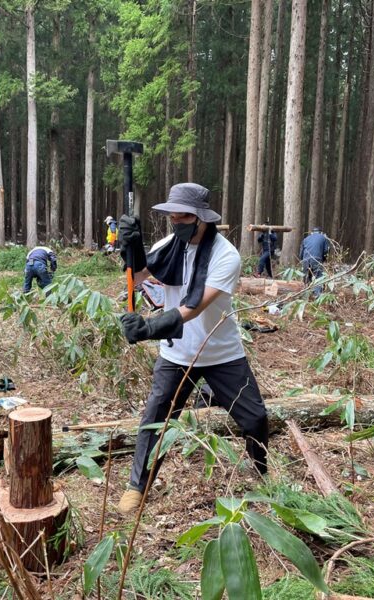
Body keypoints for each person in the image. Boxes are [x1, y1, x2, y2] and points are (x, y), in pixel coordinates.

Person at [115, 182, 269, 514]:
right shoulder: (169, 244)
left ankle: (262, 474)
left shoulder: (225, 255)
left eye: (182, 217)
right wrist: (132, 248)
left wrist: (150, 327)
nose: (176, 223)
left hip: (221, 353)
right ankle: (137, 487)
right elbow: (141, 276)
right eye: (172, 217)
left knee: (255, 418)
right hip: (176, 355)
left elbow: (195, 305)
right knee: (154, 421)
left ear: (200, 218)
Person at [300, 226, 330, 293]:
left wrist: (303, 260)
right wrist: (323, 259)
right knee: (318, 277)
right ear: (321, 232)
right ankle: (317, 296)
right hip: (316, 259)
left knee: (306, 277)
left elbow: (301, 253)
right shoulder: (323, 238)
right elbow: (326, 250)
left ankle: (305, 295)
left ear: (312, 232)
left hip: (306, 260)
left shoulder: (306, 239)